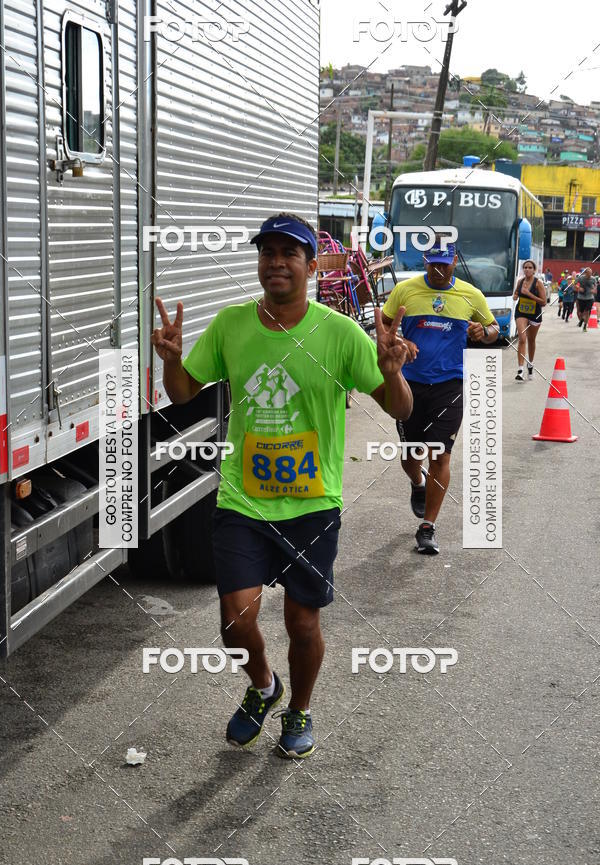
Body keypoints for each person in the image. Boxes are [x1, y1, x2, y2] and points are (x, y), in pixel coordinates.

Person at [151, 213, 414, 759]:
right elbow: (181, 394)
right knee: (234, 620)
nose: (276, 262)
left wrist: (392, 372)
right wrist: (172, 363)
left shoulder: (340, 334)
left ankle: (300, 708)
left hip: (313, 504)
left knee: (301, 620)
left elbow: (400, 409)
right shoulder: (230, 326)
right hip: (242, 500)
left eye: (289, 253)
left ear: (311, 266)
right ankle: (264, 686)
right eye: (267, 252)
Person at [381, 241, 499, 555]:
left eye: (444, 264)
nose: (438, 269)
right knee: (410, 455)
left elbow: (493, 329)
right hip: (410, 386)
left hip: (450, 385)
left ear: (454, 262)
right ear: (425, 261)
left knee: (441, 454)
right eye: (432, 263)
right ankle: (417, 483)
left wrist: (481, 333)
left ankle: (427, 527)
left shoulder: (470, 295)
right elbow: (383, 324)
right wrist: (402, 338)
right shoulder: (405, 291)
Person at [513, 260, 547, 381]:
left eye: (530, 267)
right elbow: (516, 292)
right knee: (522, 338)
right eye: (525, 267)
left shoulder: (538, 283)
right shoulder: (520, 281)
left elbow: (544, 302)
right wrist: (515, 295)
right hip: (521, 312)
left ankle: (530, 364)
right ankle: (520, 369)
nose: (527, 269)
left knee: (531, 340)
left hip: (534, 314)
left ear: (534, 270)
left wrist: (529, 294)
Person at [575, 267, 596, 331]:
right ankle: (581, 320)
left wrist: (594, 290)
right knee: (581, 312)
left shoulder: (593, 279)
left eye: (591, 273)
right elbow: (575, 283)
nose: (590, 275)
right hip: (581, 297)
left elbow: (595, 286)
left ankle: (584, 326)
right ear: (585, 273)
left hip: (590, 298)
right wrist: (579, 288)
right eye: (589, 273)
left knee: (587, 311)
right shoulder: (580, 278)